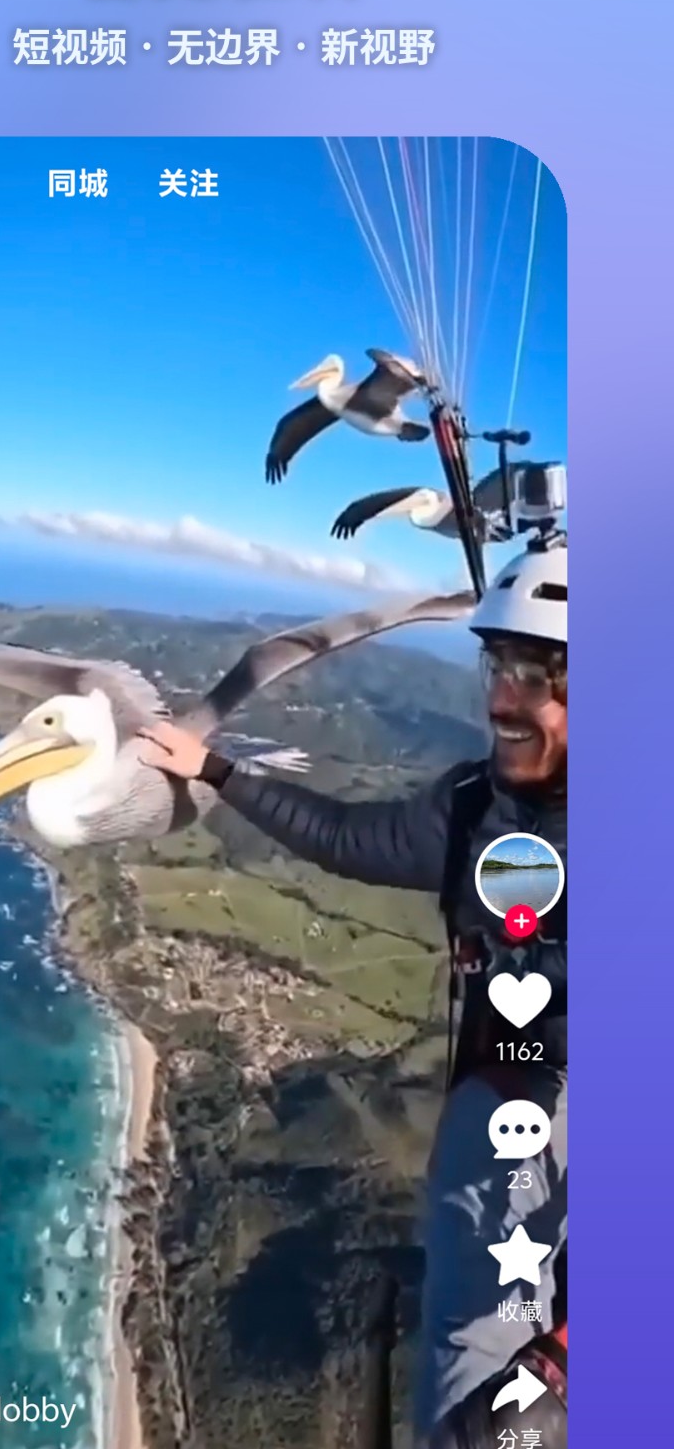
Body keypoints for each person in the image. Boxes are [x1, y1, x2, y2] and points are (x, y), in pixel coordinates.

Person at [139, 541, 568, 1444]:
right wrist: (216, 771)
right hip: (509, 1101)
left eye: (540, 675)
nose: (504, 699)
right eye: (500, 666)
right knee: (475, 1362)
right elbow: (349, 838)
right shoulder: (473, 808)